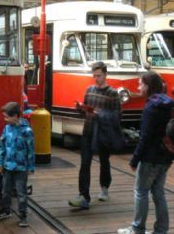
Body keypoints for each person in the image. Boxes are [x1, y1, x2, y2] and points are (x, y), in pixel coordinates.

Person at [117, 71, 174, 234]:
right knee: (158, 193)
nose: (138, 87)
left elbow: (145, 137)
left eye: (140, 84)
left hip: (150, 157)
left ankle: (137, 229)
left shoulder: (151, 107)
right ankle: (161, 230)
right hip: (166, 156)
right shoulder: (169, 104)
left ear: (148, 87)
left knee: (141, 192)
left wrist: (134, 160)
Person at [69, 61, 121, 209]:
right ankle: (84, 196)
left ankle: (105, 188)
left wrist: (100, 114)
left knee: (104, 160)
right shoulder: (89, 89)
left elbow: (117, 116)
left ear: (105, 74)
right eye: (94, 76)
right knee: (85, 163)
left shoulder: (112, 93)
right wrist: (80, 108)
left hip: (103, 133)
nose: (96, 79)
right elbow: (85, 110)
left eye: (99, 75)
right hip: (88, 131)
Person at [0, 102, 35, 227]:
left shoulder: (27, 131)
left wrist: (31, 167)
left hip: (21, 168)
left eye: (7, 117)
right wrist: (0, 161)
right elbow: (2, 146)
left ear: (15, 116)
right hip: (8, 166)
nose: (5, 119)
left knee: (21, 192)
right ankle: (6, 210)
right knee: (5, 190)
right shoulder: (7, 128)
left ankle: (23, 215)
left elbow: (31, 150)